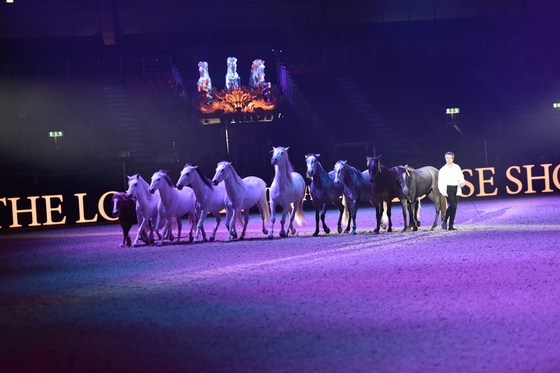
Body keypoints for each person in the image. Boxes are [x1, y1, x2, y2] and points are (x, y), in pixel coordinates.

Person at [438, 151, 465, 231]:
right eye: (447, 158)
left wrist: (462, 182)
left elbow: (461, 176)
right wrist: (442, 191)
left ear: (453, 158)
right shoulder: (442, 170)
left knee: (455, 207)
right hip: (448, 188)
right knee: (452, 205)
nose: (448, 159)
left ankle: (451, 225)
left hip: (456, 187)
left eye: (450, 158)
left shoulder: (457, 167)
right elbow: (440, 181)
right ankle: (444, 220)